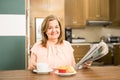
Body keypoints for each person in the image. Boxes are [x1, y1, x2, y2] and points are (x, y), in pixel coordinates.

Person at [28, 15, 92, 70]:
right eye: (50, 28)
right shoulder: (37, 46)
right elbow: (31, 68)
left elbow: (73, 67)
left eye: (56, 27)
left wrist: (83, 66)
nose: (54, 30)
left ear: (60, 29)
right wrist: (34, 67)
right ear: (45, 31)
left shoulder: (67, 45)